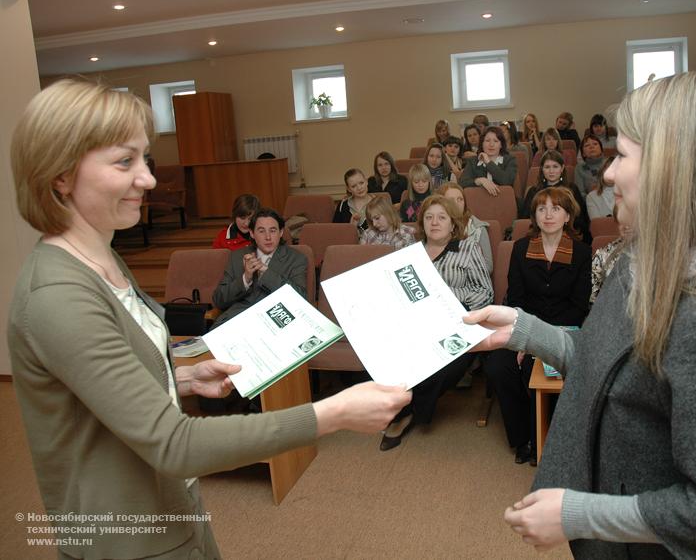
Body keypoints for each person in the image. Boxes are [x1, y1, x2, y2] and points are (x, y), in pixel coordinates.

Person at [7, 79, 411, 559]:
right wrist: (334, 413)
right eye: (124, 162)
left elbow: (106, 384)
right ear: (60, 176)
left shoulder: (102, 259)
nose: (149, 180)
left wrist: (178, 377)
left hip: (170, 505)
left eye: (145, 160)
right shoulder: (59, 296)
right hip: (127, 537)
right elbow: (175, 442)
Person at [465, 71, 696, 557]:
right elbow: (616, 369)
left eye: (622, 155)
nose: (607, 174)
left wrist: (578, 513)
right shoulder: (643, 261)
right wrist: (525, 330)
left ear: (678, 169)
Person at [483, 186, 591, 465]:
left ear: (568, 215)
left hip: (562, 331)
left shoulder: (580, 252)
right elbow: (516, 299)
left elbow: (578, 308)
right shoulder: (521, 249)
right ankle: (522, 439)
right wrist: (524, 338)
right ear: (534, 215)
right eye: (542, 209)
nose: (548, 215)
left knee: (537, 367)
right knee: (498, 366)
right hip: (522, 323)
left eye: (556, 209)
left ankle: (543, 437)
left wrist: (538, 339)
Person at [380, 195, 493, 451]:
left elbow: (485, 292)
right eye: (429, 217)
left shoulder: (467, 249)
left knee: (445, 365)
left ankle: (407, 411)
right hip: (415, 325)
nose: (434, 222)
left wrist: (446, 296)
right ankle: (400, 406)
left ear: (453, 224)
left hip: (458, 324)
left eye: (442, 217)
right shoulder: (410, 252)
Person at [212, 207, 308, 326]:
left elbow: (301, 299)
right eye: (261, 231)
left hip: (274, 323)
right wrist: (245, 279)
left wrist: (266, 272)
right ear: (252, 233)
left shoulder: (296, 259)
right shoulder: (237, 256)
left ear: (281, 232)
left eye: (273, 230)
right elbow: (219, 300)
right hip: (238, 321)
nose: (268, 237)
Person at [521, 150, 590, 243]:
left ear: (562, 168)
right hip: (540, 236)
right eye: (547, 167)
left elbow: (581, 219)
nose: (551, 171)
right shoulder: (533, 192)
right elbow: (526, 220)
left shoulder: (572, 189)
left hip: (569, 235)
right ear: (542, 169)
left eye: (555, 166)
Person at [437, 181, 493, 273]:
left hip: (471, 283)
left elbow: (488, 266)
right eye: (451, 200)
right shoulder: (434, 227)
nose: (457, 203)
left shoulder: (478, 229)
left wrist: (459, 276)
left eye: (460, 199)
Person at [459, 126, 518, 197]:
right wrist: (480, 180)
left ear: (501, 145)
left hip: (503, 201)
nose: (491, 145)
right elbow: (461, 183)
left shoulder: (510, 160)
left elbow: (506, 181)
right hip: (478, 202)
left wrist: (488, 162)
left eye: (496, 141)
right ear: (482, 143)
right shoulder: (473, 161)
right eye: (487, 141)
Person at [333, 168, 372, 232]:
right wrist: (351, 228)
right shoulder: (342, 205)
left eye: (361, 183)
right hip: (349, 241)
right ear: (348, 189)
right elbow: (335, 231)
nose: (359, 188)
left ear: (366, 181)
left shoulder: (379, 203)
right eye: (354, 186)